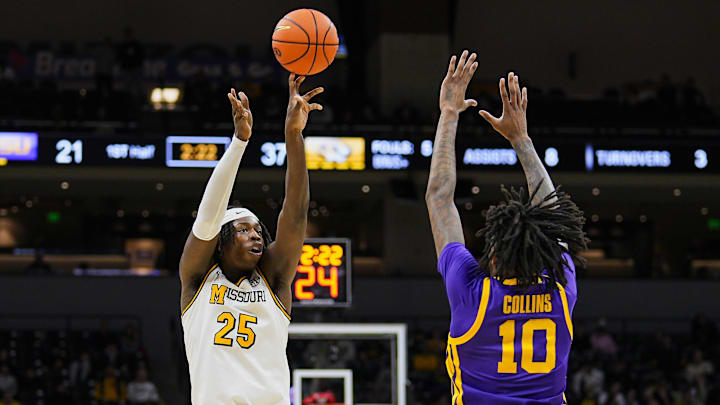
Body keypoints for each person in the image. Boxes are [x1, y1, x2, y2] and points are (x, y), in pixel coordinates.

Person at [425, 51, 588, 404]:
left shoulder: (473, 293)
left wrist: (449, 113)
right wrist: (521, 140)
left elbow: (439, 197)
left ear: (495, 258)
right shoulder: (561, 290)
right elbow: (553, 214)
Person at [180, 73, 323, 405]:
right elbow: (207, 218)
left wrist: (294, 135)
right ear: (223, 240)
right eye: (243, 229)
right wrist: (239, 142)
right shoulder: (196, 279)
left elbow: (296, 214)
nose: (256, 235)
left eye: (258, 230)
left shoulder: (273, 278)